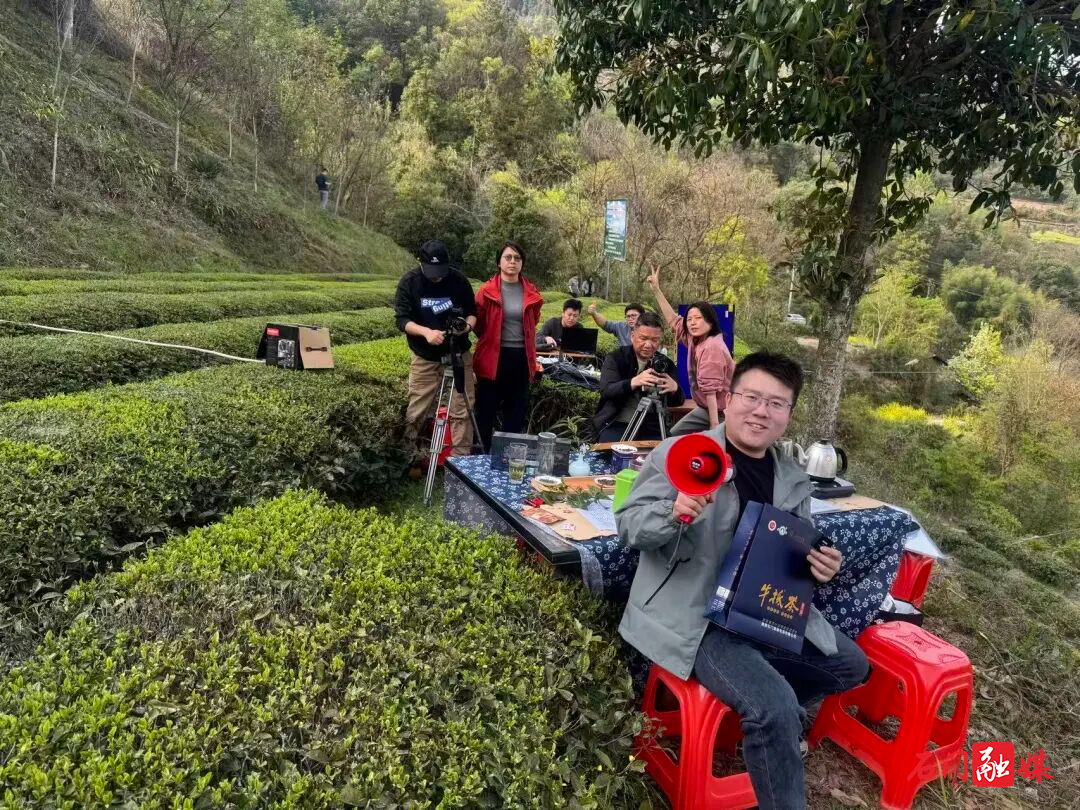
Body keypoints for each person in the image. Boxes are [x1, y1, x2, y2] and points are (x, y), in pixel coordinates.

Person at [616, 353, 867, 810]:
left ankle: (763, 714)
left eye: (776, 403)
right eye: (752, 397)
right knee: (775, 708)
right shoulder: (682, 453)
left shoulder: (791, 474)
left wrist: (820, 565)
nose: (761, 411)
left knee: (851, 665)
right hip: (699, 617)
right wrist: (672, 512)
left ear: (789, 414)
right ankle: (772, 717)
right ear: (729, 400)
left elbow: (798, 545)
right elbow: (630, 527)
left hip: (763, 610)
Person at [394, 240, 478, 460]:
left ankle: (460, 463)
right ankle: (409, 458)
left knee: (462, 408)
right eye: (432, 271)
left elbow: (472, 312)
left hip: (458, 352)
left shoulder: (459, 280)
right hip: (424, 355)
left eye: (440, 271)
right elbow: (402, 320)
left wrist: (466, 327)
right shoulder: (409, 282)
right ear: (420, 262)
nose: (437, 277)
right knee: (418, 408)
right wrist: (426, 332)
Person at [473, 241, 544, 451]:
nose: (513, 262)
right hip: (493, 358)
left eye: (517, 258)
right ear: (499, 262)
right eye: (508, 257)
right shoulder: (486, 291)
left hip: (521, 358)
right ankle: (481, 456)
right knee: (485, 411)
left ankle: (508, 458)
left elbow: (533, 321)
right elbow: (478, 323)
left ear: (522, 263)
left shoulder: (531, 291)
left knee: (515, 412)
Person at [647, 264, 735, 435]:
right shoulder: (696, 340)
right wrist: (656, 290)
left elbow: (711, 392)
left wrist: (714, 427)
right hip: (705, 407)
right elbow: (674, 321)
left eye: (698, 318)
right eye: (689, 319)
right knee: (674, 435)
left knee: (705, 442)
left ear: (710, 321)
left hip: (722, 412)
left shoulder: (712, 347)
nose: (692, 323)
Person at [592, 312, 684, 442]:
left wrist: (675, 389)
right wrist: (634, 382)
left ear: (660, 340)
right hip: (617, 422)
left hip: (652, 425)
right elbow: (607, 390)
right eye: (643, 338)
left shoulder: (664, 364)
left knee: (664, 450)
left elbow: (677, 401)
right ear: (632, 336)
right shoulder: (616, 357)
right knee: (613, 451)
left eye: (654, 340)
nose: (648, 345)